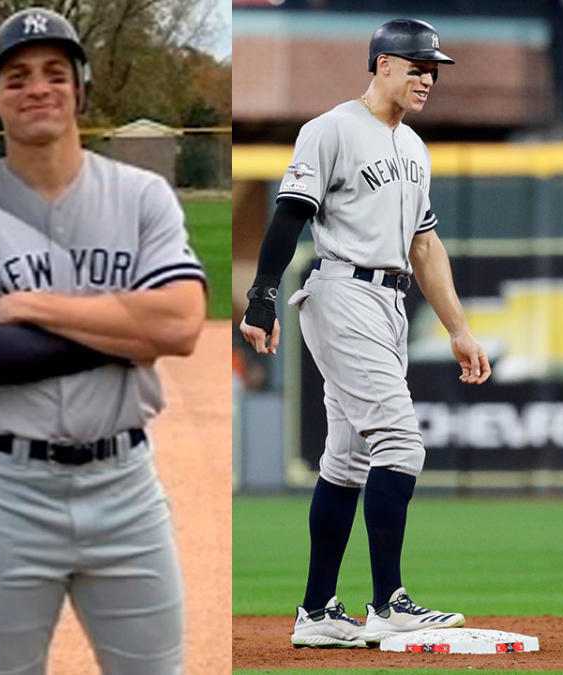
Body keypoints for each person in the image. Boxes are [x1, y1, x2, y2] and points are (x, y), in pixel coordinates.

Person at [0, 6, 206, 674]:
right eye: (17, 76)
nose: (36, 87)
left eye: (53, 72)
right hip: (8, 491)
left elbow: (183, 323)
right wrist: (128, 335)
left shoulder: (142, 196)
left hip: (124, 485)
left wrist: (34, 306)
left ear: (79, 88)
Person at [239, 18, 490, 649]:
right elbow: (289, 215)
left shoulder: (414, 147)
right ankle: (388, 604)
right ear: (381, 65)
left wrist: (459, 328)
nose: (428, 78)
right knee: (401, 444)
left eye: (433, 69)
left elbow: (425, 246)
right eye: (417, 66)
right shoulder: (330, 130)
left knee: (347, 460)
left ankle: (318, 613)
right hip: (342, 290)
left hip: (391, 301)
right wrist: (261, 300)